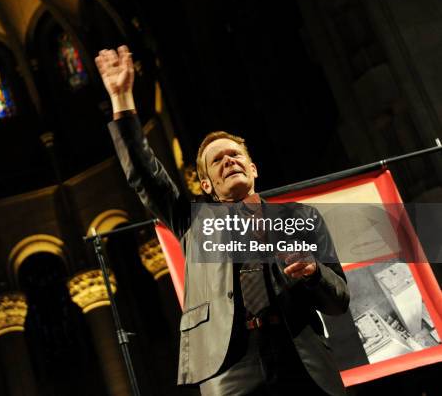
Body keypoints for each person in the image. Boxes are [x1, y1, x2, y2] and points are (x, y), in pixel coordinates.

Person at [95, 45, 350, 395]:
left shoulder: (301, 217)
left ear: (253, 168)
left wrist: (313, 272)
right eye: (218, 161)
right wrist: (122, 100)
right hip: (230, 368)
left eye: (235, 155)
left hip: (301, 358)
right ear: (206, 185)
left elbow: (339, 300)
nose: (229, 161)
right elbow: (145, 175)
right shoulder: (192, 221)